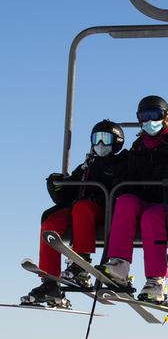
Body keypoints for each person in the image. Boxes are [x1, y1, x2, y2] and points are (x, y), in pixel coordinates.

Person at [100, 95, 168, 303]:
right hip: (146, 200)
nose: (148, 121)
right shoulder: (137, 148)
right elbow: (126, 176)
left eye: (153, 115)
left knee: (151, 217)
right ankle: (119, 265)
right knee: (126, 201)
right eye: (143, 116)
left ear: (166, 116)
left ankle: (156, 280)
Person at [21, 120, 127, 307]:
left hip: (105, 210)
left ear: (117, 141)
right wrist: (58, 184)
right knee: (50, 221)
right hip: (79, 209)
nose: (100, 145)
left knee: (82, 207)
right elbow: (70, 190)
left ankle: (81, 264)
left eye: (105, 139)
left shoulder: (122, 163)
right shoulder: (88, 164)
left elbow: (121, 190)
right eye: (97, 139)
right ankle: (50, 281)